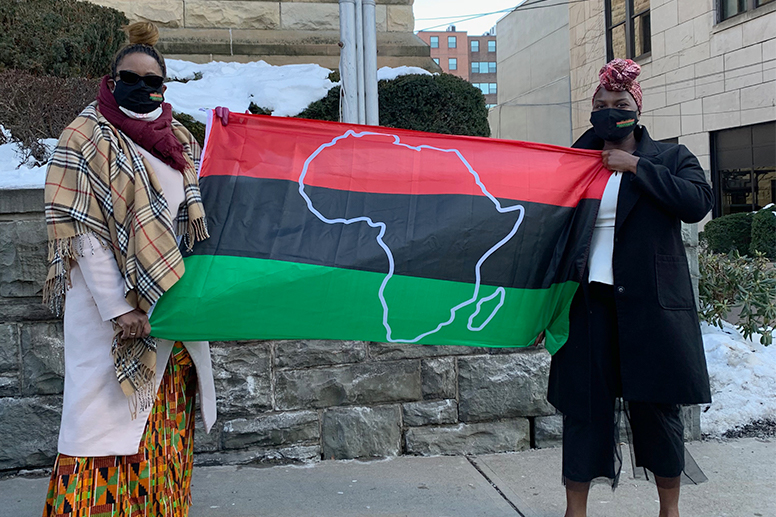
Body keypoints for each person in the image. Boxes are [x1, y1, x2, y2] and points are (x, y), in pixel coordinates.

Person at [42, 22, 216, 517]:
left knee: (162, 426)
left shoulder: (178, 138)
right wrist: (120, 308)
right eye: (130, 78)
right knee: (100, 431)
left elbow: (195, 218)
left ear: (164, 86)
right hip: (113, 314)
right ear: (111, 79)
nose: (142, 88)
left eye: (152, 81)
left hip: (172, 310)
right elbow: (82, 232)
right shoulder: (83, 135)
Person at [547, 59, 713, 517]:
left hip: (651, 306)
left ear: (636, 109)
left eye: (619, 104)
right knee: (584, 409)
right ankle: (575, 511)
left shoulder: (672, 158)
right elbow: (548, 233)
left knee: (657, 410)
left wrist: (636, 166)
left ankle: (669, 510)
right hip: (587, 305)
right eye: (601, 105)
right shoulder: (573, 163)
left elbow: (697, 203)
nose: (609, 112)